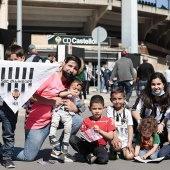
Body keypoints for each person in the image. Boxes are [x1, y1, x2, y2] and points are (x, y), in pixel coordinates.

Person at [13, 55, 83, 162]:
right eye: (70, 66)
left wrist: (76, 108)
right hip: (37, 123)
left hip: (54, 119)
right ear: (63, 63)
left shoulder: (71, 83)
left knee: (77, 120)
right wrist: (51, 101)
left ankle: (57, 151)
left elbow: (81, 105)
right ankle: (3, 149)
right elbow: (29, 94)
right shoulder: (50, 77)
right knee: (28, 156)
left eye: (75, 69)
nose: (71, 70)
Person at [69, 95, 117, 164]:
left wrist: (99, 131)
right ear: (90, 108)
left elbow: (110, 136)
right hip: (87, 144)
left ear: (103, 108)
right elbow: (83, 134)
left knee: (103, 160)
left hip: (99, 146)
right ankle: (87, 154)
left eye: (99, 109)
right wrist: (89, 133)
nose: (97, 111)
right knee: (71, 138)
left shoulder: (108, 121)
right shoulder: (86, 120)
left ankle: (92, 156)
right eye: (94, 109)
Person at [0, 45, 25, 168]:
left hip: (11, 108)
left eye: (15, 59)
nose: (13, 62)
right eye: (10, 60)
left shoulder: (28, 72)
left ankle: (7, 158)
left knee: (9, 134)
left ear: (22, 58)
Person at [132, 72, 170, 147]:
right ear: (150, 85)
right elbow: (134, 110)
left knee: (156, 150)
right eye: (153, 84)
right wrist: (140, 122)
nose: (156, 87)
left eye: (158, 84)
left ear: (163, 84)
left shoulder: (168, 96)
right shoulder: (144, 95)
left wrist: (162, 124)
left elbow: (168, 114)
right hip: (145, 126)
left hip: (160, 126)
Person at [49, 78, 85, 156]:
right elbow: (60, 94)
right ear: (69, 87)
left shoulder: (76, 98)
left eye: (78, 90)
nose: (76, 91)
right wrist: (69, 92)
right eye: (74, 88)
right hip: (57, 113)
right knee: (54, 123)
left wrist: (81, 105)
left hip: (67, 116)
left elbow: (81, 109)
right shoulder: (67, 93)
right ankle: (52, 137)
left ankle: (62, 145)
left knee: (69, 128)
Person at [106, 87, 134, 160]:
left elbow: (130, 128)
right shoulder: (110, 109)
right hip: (115, 137)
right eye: (114, 99)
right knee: (116, 146)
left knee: (130, 156)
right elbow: (112, 124)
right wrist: (115, 138)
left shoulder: (127, 112)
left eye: (119, 99)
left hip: (125, 139)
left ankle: (122, 150)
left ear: (124, 99)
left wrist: (130, 142)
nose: (117, 101)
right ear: (111, 100)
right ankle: (113, 150)